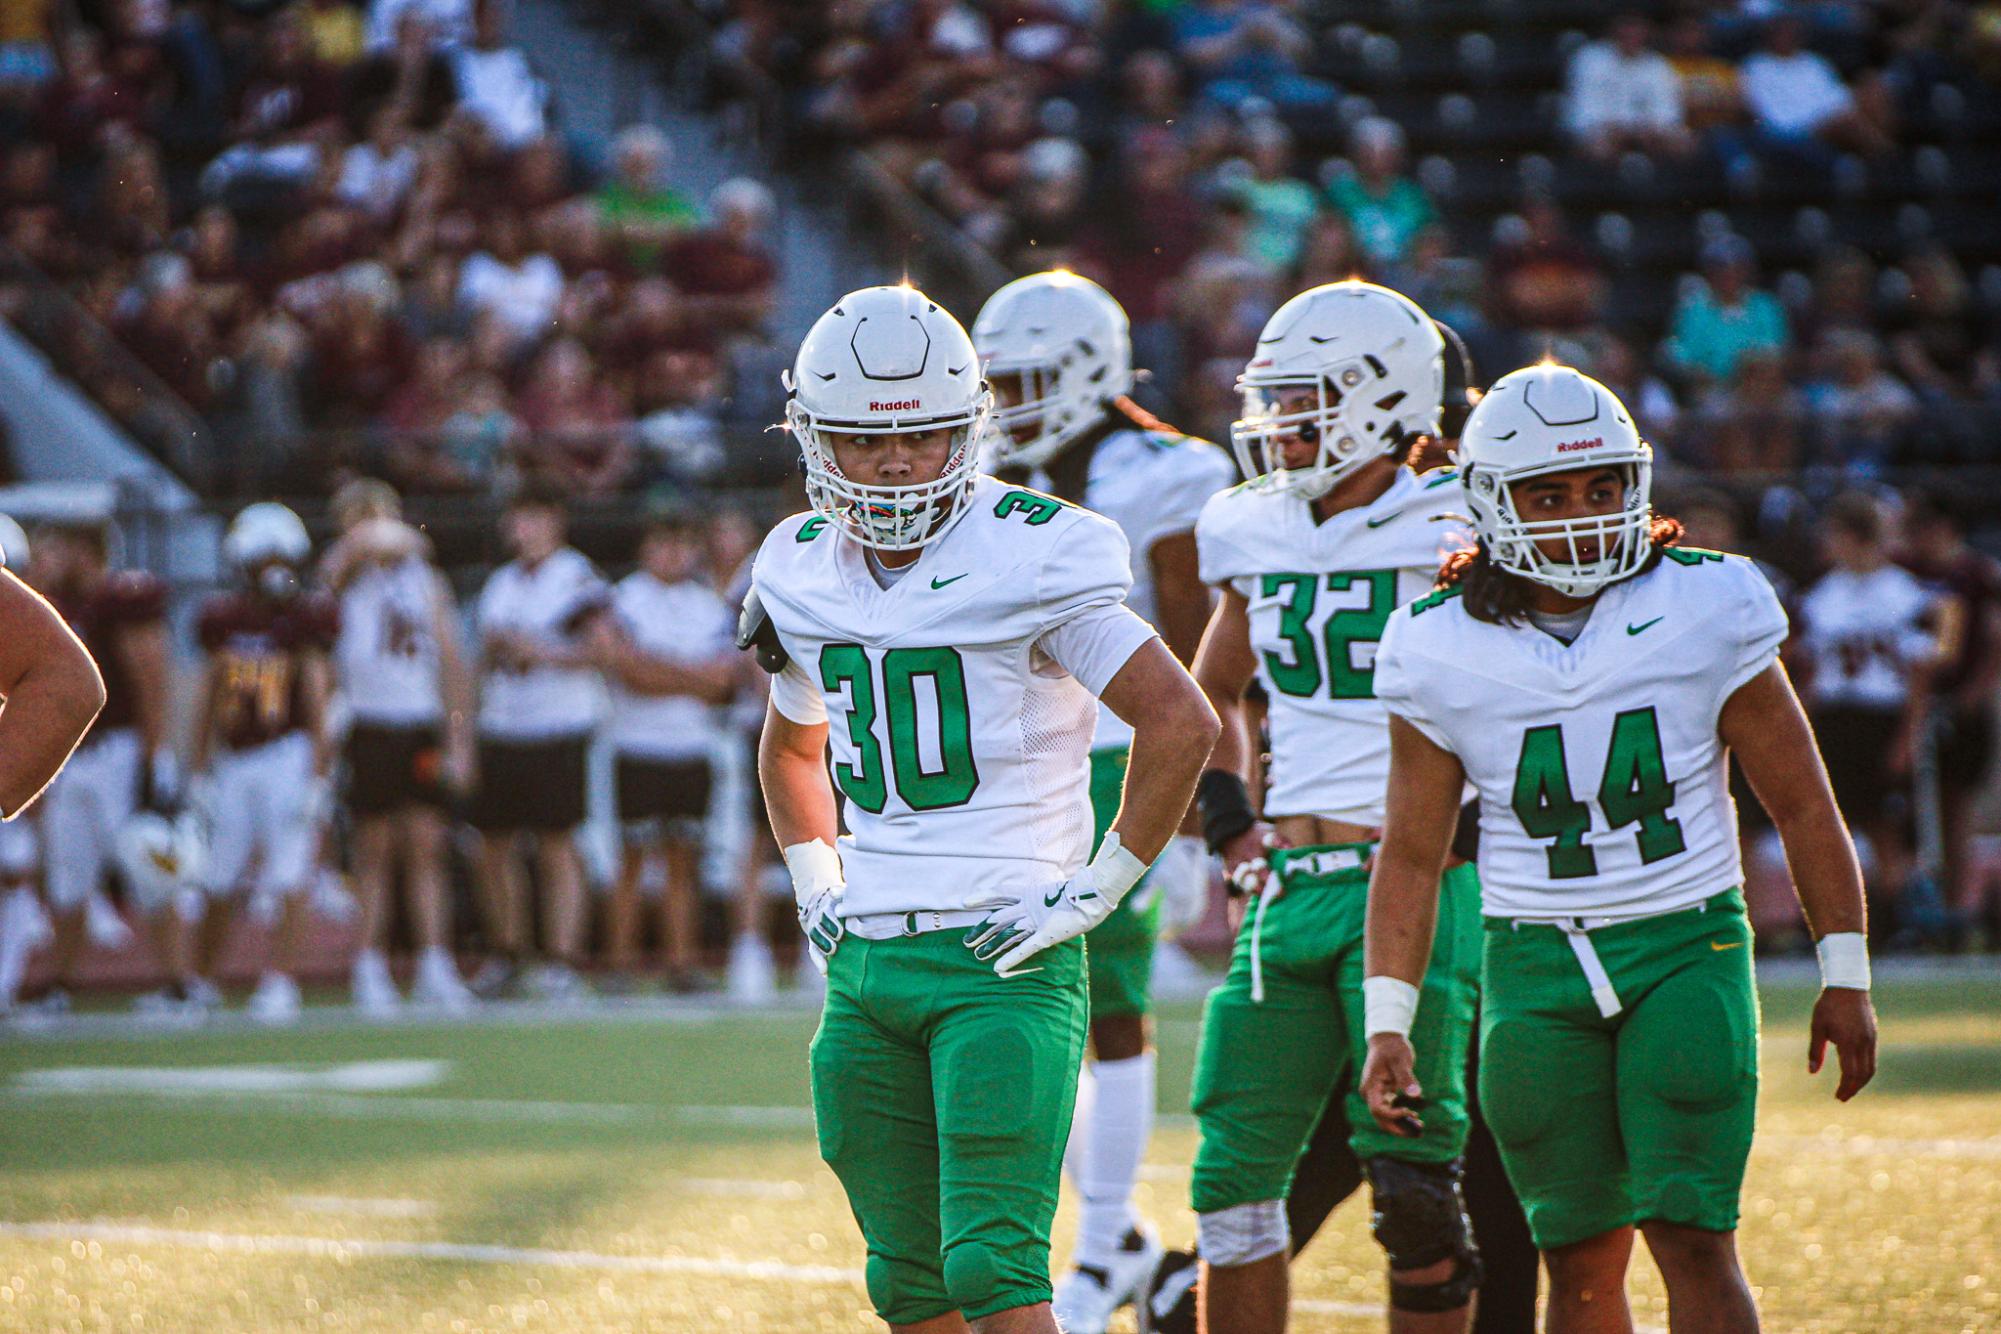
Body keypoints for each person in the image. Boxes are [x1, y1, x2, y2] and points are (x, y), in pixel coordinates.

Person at [1360, 364, 1879, 1333]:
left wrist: (1843, 967)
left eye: (1602, 486)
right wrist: (1388, 1016)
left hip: (1684, 943)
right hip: (1530, 962)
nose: (1579, 514)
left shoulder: (1708, 599)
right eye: (1547, 494)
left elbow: (1804, 802)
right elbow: (1412, 852)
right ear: (1486, 502)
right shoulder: (1433, 641)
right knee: (1580, 1262)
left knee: (1691, 1235)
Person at [749, 284, 1219, 1333]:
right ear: (816, 438)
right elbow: (790, 741)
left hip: (1002, 950)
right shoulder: (794, 565)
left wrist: (1101, 885)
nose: (896, 462)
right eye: (866, 441)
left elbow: (1180, 718)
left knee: (994, 1272)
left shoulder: (1035, 546)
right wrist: (816, 873)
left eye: (922, 435)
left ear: (968, 427)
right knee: (905, 1284)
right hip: (866, 962)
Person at [1182, 281, 1491, 1334]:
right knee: (1229, 1183)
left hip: (1413, 878)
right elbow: (1205, 694)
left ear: (1384, 396)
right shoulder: (1249, 526)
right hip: (1290, 891)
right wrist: (1234, 827)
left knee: (1414, 1191)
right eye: (1275, 398)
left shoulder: (1457, 521)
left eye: (1307, 398)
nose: (1280, 423)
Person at [971, 269, 1236, 1332]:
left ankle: (1103, 1237)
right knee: (1015, 987)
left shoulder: (1165, 468)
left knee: (1112, 999)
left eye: (1028, 378)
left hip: (1122, 752)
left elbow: (1192, 640)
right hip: (1012, 762)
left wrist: (1202, 788)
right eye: (998, 382)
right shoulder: (984, 465)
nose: (1012, 400)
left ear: (1085, 366)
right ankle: (1120, 1241)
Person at [321, 479, 477, 1014]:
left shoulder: (423, 580)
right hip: (368, 723)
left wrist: (458, 735)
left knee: (426, 845)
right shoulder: (343, 577)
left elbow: (451, 662)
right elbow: (345, 562)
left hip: (417, 723)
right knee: (373, 849)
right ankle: (370, 965)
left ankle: (435, 963)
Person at [191, 503, 339, 1024]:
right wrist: (196, 772)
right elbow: (209, 696)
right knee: (218, 875)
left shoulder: (303, 620)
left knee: (288, 872)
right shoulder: (223, 619)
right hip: (235, 760)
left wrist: (319, 777)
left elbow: (319, 701)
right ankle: (201, 981)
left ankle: (280, 981)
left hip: (286, 755)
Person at [24, 515, 177, 1014]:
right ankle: (60, 986)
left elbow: (150, 679)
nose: (47, 552)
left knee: (145, 865)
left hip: (117, 749)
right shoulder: (63, 603)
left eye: (58, 542)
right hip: (75, 754)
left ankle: (179, 983)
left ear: (84, 548)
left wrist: (157, 756)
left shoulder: (120, 599)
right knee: (68, 872)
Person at [469, 486, 610, 1000]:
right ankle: (507, 950)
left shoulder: (575, 576)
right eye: (517, 518)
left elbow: (602, 649)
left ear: (554, 521)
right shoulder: (502, 582)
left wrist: (540, 652)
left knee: (556, 841)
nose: (523, 529)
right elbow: (484, 654)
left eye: (533, 517)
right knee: (495, 843)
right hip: (505, 723)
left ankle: (562, 956)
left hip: (558, 724)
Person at [599, 508, 737, 992]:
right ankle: (620, 964)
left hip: (690, 746)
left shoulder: (709, 604)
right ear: (645, 548)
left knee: (685, 859)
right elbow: (627, 670)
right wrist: (687, 676)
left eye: (682, 542)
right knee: (632, 858)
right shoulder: (625, 598)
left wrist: (662, 671)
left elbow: (722, 681)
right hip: (637, 745)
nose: (673, 553)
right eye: (663, 542)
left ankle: (682, 963)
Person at [1795, 493, 1941, 942]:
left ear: (1856, 537)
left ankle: (1893, 919)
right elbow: (1815, 670)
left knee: (1886, 827)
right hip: (1837, 717)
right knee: (1832, 826)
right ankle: (1840, 923)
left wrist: (1907, 737)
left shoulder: (1904, 593)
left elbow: (1919, 675)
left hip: (1882, 716)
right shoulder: (1824, 593)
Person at [1899, 490, 2001, 947]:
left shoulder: (1975, 574)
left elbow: (1995, 636)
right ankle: (1925, 909)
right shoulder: (1910, 571)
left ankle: (1958, 907)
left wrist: (1976, 691)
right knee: (1917, 811)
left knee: (1957, 808)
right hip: (1912, 704)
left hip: (1957, 701)